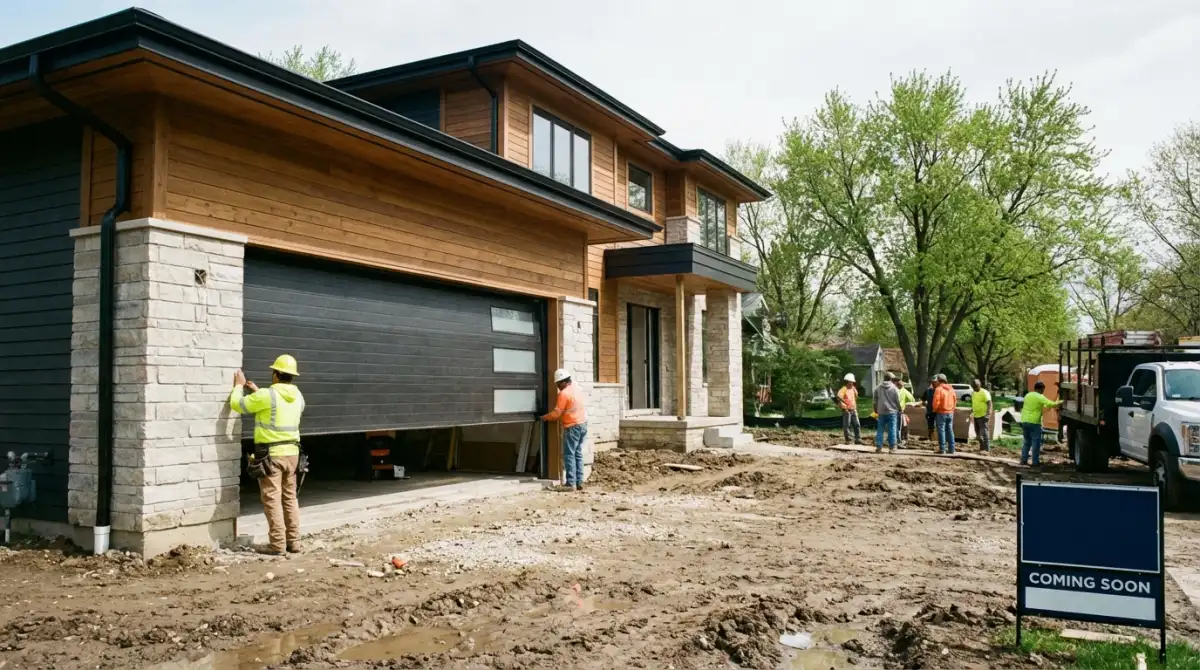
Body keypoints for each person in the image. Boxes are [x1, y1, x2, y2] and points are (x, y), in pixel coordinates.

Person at [230, 354, 306, 555]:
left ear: (277, 374)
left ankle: (278, 545)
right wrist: (257, 392)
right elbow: (278, 409)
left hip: (271, 455)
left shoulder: (267, 395)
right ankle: (294, 543)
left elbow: (238, 405)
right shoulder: (298, 396)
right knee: (290, 498)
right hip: (292, 453)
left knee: (272, 499)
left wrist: (239, 386)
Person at [541, 368, 588, 491]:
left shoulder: (564, 394)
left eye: (557, 384)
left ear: (562, 382)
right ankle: (579, 481)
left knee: (569, 455)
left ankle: (570, 483)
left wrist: (544, 417)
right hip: (583, 424)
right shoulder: (577, 388)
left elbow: (556, 414)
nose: (557, 387)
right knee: (577, 454)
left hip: (572, 427)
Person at [1020, 381, 1063, 466]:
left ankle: (1023, 459)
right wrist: (1061, 401)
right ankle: (1035, 462)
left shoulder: (1028, 395)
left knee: (1027, 441)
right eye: (1043, 389)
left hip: (1024, 421)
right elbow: (1051, 404)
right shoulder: (1040, 397)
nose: (1043, 391)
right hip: (1034, 422)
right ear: (1040, 389)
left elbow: (1040, 405)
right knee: (1036, 442)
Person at [873, 373, 902, 454]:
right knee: (892, 429)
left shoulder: (878, 388)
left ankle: (879, 447)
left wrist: (875, 409)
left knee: (880, 429)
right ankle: (892, 447)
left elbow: (874, 400)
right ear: (891, 379)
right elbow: (898, 401)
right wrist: (900, 409)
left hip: (881, 411)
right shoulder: (894, 388)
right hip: (892, 412)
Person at [932, 374, 958, 454]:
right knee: (950, 430)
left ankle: (942, 449)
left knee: (941, 430)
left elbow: (936, 401)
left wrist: (934, 410)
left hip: (941, 412)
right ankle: (951, 449)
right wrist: (952, 409)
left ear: (939, 380)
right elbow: (955, 400)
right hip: (950, 412)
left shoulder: (938, 389)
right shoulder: (951, 389)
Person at [970, 379, 994, 452]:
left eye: (976, 386)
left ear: (979, 385)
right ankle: (982, 447)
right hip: (976, 415)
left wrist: (988, 414)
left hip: (983, 416)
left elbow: (990, 403)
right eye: (974, 387)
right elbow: (974, 403)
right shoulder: (973, 393)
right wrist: (972, 411)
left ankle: (987, 449)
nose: (975, 388)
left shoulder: (984, 392)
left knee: (984, 433)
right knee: (977, 434)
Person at [837, 373, 861, 443]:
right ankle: (848, 439)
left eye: (852, 382)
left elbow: (855, 396)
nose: (852, 383)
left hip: (853, 409)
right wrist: (844, 408)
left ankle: (858, 439)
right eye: (850, 382)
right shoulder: (843, 389)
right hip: (847, 410)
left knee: (857, 424)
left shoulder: (853, 388)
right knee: (847, 425)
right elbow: (839, 398)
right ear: (847, 382)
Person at [896, 380, 916, 446]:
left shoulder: (892, 389)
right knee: (901, 426)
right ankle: (901, 440)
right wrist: (905, 402)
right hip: (899, 411)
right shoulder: (904, 391)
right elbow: (912, 400)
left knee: (893, 426)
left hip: (890, 410)